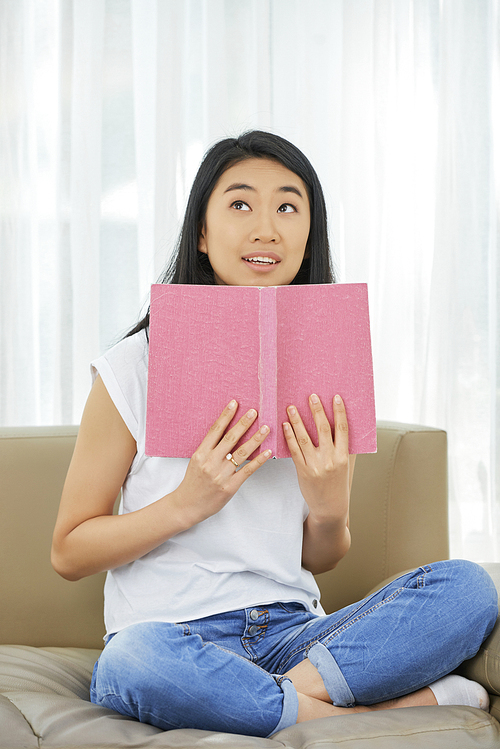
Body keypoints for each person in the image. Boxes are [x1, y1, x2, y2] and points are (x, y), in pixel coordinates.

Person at [51, 131, 498, 738]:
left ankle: (285, 698)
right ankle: (360, 712)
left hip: (296, 636)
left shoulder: (327, 364)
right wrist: (187, 504)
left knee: (469, 587)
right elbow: (69, 551)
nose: (267, 228)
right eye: (240, 204)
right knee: (133, 662)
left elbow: (321, 556)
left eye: (288, 207)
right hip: (171, 638)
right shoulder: (134, 366)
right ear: (202, 235)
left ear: (309, 234)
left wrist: (329, 507)